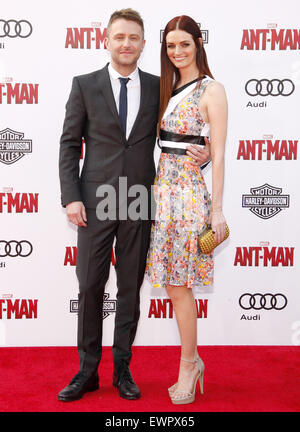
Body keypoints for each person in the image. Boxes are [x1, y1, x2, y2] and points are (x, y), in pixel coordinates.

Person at [58, 9, 210, 402]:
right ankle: (87, 371)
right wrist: (72, 196)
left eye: (134, 38)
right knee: (90, 285)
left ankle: (122, 371)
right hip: (94, 201)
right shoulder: (85, 85)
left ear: (144, 44)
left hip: (141, 198)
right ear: (106, 41)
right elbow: (69, 144)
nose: (126, 44)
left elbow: (184, 130)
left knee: (129, 288)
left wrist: (205, 152)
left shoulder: (163, 88)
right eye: (119, 37)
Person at [145, 15, 228, 405]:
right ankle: (192, 362)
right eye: (171, 46)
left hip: (191, 200)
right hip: (165, 196)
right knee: (176, 287)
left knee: (181, 286)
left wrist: (218, 212)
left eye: (185, 45)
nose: (177, 52)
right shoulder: (167, 87)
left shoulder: (212, 90)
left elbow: (221, 153)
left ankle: (188, 367)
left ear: (199, 44)